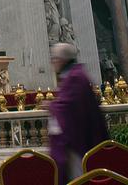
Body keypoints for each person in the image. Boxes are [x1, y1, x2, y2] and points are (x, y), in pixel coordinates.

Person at [48, 42, 108, 185]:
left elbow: (68, 107)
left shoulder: (75, 77)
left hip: (78, 141)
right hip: (78, 136)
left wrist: (53, 106)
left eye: (54, 59)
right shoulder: (73, 75)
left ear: (62, 60)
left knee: (78, 178)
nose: (53, 62)